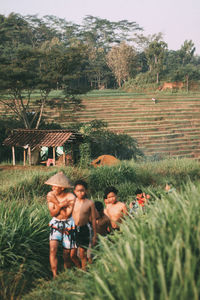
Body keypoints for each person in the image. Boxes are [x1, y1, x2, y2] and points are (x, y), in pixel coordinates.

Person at [45, 172, 80, 278]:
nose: (53, 188)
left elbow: (66, 214)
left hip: (68, 224)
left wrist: (56, 204)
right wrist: (60, 204)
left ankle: (67, 273)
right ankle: (55, 275)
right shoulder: (50, 195)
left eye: (55, 186)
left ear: (62, 188)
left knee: (66, 253)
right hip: (55, 223)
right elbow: (52, 213)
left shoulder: (71, 197)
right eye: (53, 185)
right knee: (53, 249)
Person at [72, 180, 97, 271]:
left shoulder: (90, 203)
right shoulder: (73, 201)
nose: (80, 193)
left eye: (82, 190)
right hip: (74, 228)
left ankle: (84, 270)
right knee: (73, 254)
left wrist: (95, 234)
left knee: (82, 252)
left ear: (86, 191)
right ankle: (80, 267)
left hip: (84, 228)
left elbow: (93, 219)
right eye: (78, 191)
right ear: (74, 191)